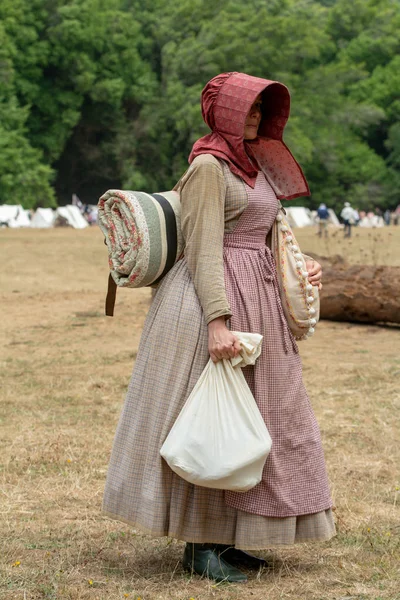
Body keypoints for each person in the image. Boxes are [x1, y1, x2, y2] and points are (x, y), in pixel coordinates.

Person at [103, 72, 335, 583]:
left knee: (262, 416)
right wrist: (217, 322)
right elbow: (204, 249)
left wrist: (303, 264)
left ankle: (235, 537)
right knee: (209, 417)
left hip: (261, 296)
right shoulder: (209, 167)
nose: (254, 117)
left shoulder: (259, 164)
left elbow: (269, 230)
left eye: (261, 109)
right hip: (210, 300)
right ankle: (200, 545)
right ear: (223, 113)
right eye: (246, 108)